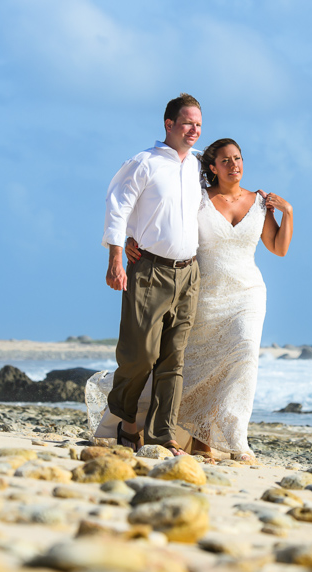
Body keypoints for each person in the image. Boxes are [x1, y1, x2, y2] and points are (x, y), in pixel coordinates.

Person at [125, 138, 293, 463]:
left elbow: (278, 247)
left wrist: (287, 212)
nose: (235, 165)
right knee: (197, 367)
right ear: (213, 168)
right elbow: (160, 216)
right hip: (204, 293)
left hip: (248, 294)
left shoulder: (260, 202)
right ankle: (199, 437)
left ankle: (236, 439)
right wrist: (132, 238)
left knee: (243, 360)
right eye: (226, 161)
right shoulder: (197, 199)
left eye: (238, 158)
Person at [101, 93, 203, 456]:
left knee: (173, 360)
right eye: (188, 122)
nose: (194, 130)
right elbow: (118, 206)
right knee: (140, 354)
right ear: (169, 124)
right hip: (148, 270)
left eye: (199, 125)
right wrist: (117, 254)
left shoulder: (197, 167)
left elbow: (226, 188)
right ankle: (125, 420)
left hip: (189, 274)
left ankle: (162, 435)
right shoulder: (143, 162)